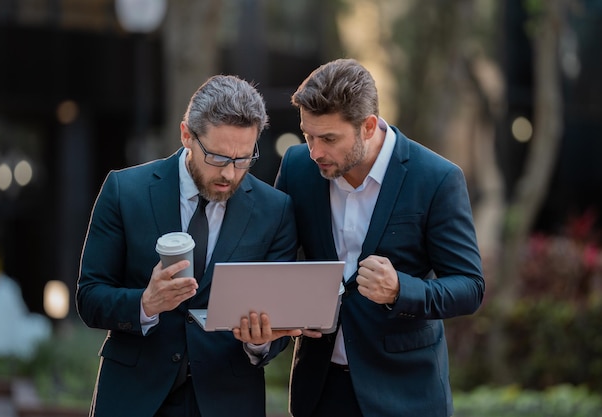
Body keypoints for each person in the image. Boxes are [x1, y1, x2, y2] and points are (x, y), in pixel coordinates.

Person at [76, 74, 300, 417]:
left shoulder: (276, 210)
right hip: (133, 398)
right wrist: (145, 303)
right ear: (186, 136)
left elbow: (278, 323)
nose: (230, 174)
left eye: (243, 160)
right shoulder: (124, 191)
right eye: (219, 157)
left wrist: (260, 340)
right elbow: (90, 297)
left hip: (229, 400)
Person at [275, 58, 485, 417]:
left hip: (405, 394)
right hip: (320, 391)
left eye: (328, 138)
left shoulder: (436, 178)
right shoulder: (297, 166)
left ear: (368, 126)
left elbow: (469, 287)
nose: (315, 151)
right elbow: (275, 260)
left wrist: (401, 290)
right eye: (308, 135)